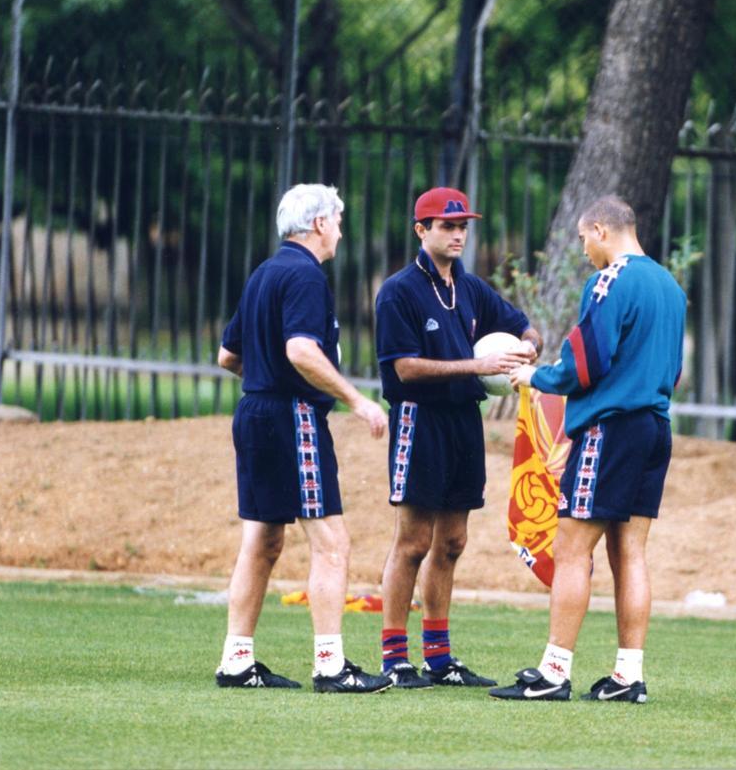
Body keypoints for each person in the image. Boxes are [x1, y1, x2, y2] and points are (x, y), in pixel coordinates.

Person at [490, 195, 686, 704]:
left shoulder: (611, 280)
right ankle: (628, 677)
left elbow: (585, 363)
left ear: (601, 229)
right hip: (654, 427)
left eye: (582, 239)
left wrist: (536, 376)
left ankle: (554, 672)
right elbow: (674, 373)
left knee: (572, 548)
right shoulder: (670, 286)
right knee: (631, 552)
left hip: (610, 429)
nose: (583, 252)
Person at [215, 183, 391, 694]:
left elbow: (228, 356)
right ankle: (331, 665)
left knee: (262, 541)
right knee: (332, 543)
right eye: (338, 218)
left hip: (253, 412)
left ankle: (236, 660)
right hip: (293, 417)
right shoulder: (306, 276)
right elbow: (301, 350)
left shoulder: (264, 273)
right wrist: (356, 401)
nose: (340, 228)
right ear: (318, 224)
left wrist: (264, 376)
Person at [374, 186, 542, 688]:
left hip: (463, 421)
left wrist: (527, 349)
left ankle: (440, 659)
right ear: (421, 230)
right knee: (413, 542)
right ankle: (394, 658)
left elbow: (525, 327)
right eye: (447, 226)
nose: (457, 235)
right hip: (419, 420)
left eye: (463, 226)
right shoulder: (398, 291)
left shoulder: (469, 288)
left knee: (452, 541)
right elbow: (404, 368)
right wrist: (478, 364)